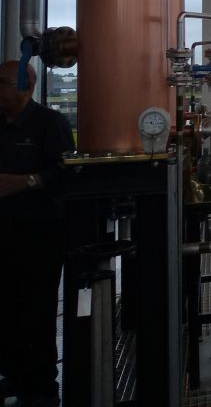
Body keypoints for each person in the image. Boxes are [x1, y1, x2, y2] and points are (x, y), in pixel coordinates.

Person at [0, 60, 74, 407]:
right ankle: (12, 376)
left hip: (40, 233)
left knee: (38, 309)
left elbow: (66, 173)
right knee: (8, 306)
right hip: (6, 232)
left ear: (24, 85)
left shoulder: (50, 124)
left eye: (2, 83)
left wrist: (26, 182)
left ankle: (42, 387)